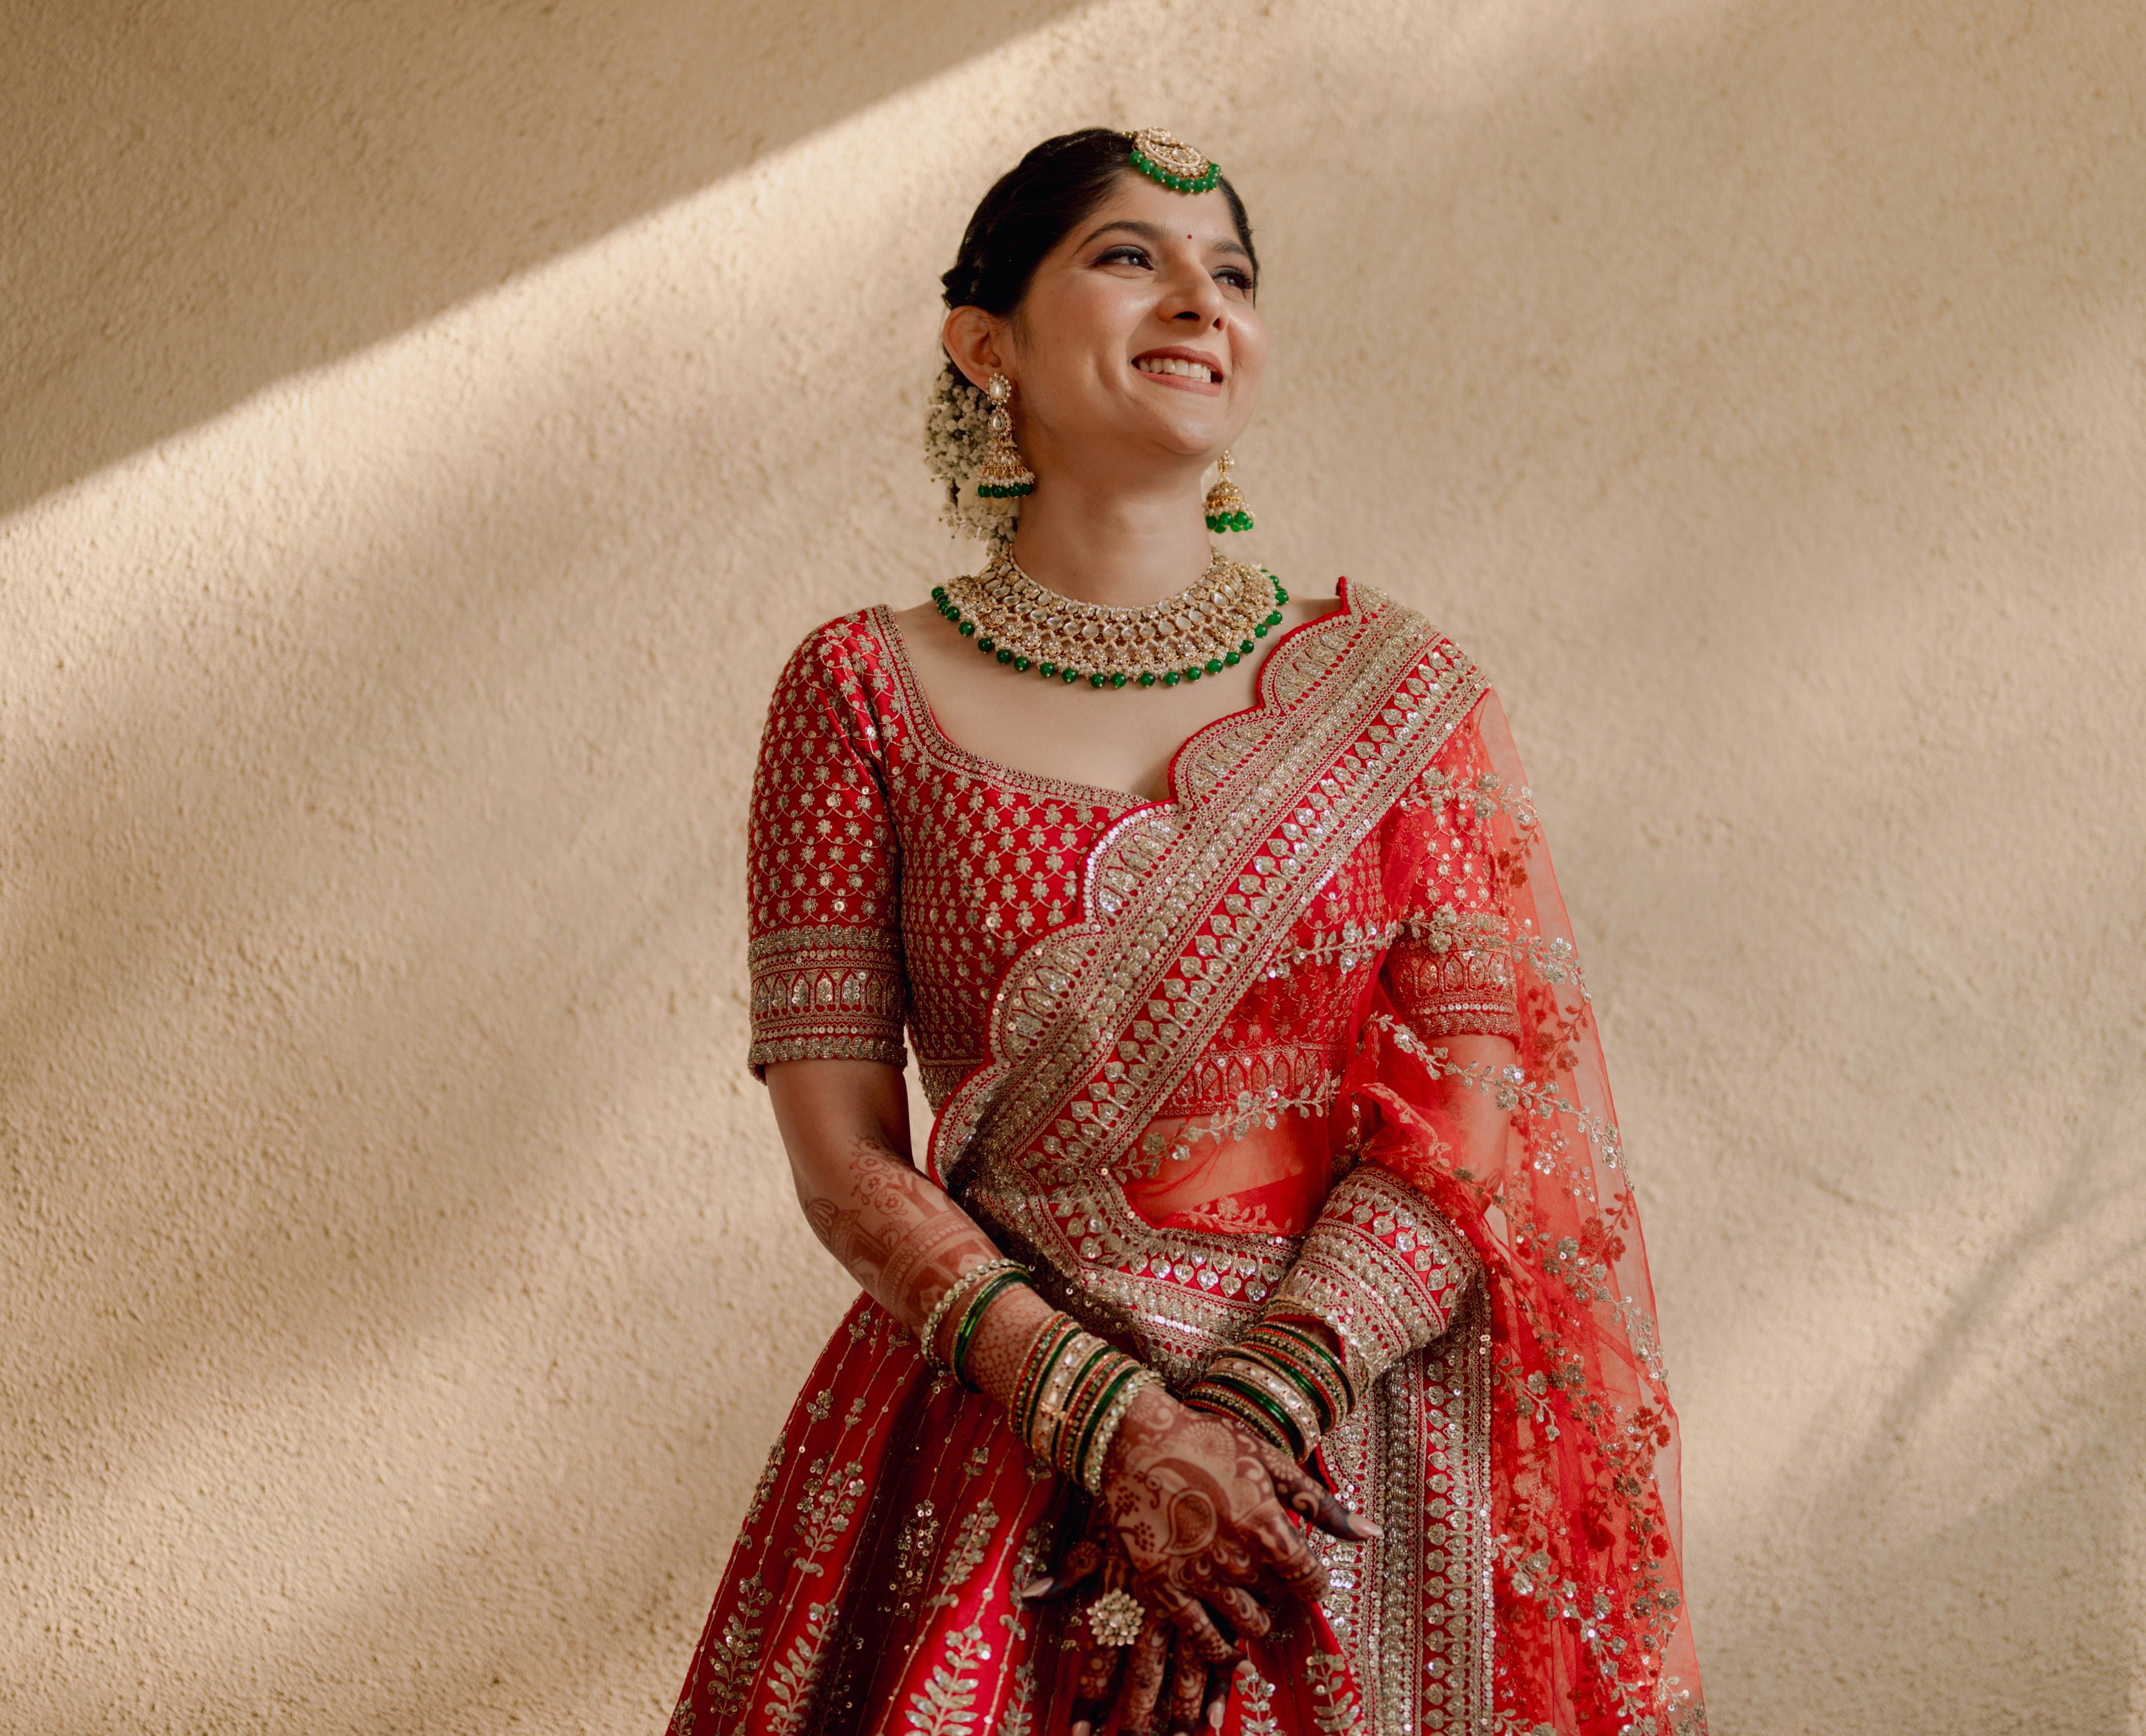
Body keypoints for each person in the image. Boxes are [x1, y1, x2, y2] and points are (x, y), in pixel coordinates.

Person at [670, 127, 1706, 1736]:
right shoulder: (858, 693)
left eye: (1232, 273)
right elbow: (845, 1158)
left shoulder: (1394, 696)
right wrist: (1117, 1429)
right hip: (1020, 1425)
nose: (1198, 301)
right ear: (984, 344)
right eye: (1128, 255)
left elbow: (1469, 1109)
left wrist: (1247, 1414)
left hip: (1357, 1438)